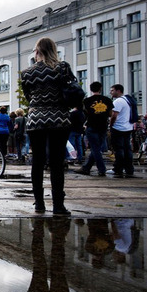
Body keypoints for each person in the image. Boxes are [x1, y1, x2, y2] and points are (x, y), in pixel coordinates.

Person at [21, 37, 72, 215]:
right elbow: (70, 90)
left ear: (37, 51)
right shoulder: (63, 67)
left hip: (36, 119)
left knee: (38, 161)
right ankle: (58, 205)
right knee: (57, 163)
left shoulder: (27, 73)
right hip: (59, 118)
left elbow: (28, 97)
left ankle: (39, 203)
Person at [74, 81, 113, 176]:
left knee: (95, 148)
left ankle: (101, 169)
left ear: (91, 89)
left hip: (91, 125)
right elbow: (111, 114)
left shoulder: (87, 101)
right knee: (97, 148)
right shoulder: (107, 100)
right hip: (103, 126)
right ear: (100, 89)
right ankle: (86, 167)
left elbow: (84, 113)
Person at [109, 84, 135, 177]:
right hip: (128, 127)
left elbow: (114, 115)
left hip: (118, 128)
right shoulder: (127, 100)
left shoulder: (118, 101)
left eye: (112, 90)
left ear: (118, 90)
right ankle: (129, 169)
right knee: (127, 149)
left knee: (119, 149)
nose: (110, 92)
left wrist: (111, 125)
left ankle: (118, 168)